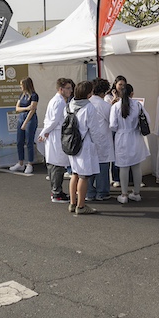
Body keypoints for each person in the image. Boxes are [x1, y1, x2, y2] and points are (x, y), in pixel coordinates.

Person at [66, 81, 102, 215]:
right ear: (88, 93)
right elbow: (94, 130)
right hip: (84, 144)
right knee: (83, 176)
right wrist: (98, 145)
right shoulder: (89, 108)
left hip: (71, 143)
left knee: (74, 173)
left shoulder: (70, 105)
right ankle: (81, 206)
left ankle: (72, 203)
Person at [110, 84, 150, 204]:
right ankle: (136, 193)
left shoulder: (115, 106)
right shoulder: (138, 105)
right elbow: (147, 120)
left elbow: (112, 125)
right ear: (132, 93)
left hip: (121, 137)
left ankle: (124, 194)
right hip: (135, 136)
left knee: (123, 167)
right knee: (136, 166)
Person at [38, 78, 73, 202]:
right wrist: (44, 132)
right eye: (68, 88)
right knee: (57, 165)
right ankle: (57, 192)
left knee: (54, 163)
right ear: (61, 89)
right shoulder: (59, 102)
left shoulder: (55, 100)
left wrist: (45, 132)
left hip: (53, 134)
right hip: (55, 134)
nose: (70, 90)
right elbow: (54, 120)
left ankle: (56, 191)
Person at [87, 78, 114, 202]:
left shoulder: (87, 103)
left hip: (89, 138)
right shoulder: (105, 105)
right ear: (104, 91)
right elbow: (113, 123)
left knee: (89, 165)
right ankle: (102, 192)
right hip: (102, 138)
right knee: (102, 166)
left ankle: (89, 192)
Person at [10, 77, 39, 174]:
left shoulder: (34, 96)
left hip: (30, 118)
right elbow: (17, 108)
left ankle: (30, 163)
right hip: (21, 116)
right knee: (19, 141)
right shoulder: (22, 95)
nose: (20, 87)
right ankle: (20, 162)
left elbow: (33, 109)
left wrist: (25, 123)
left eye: (21, 85)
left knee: (29, 141)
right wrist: (26, 107)